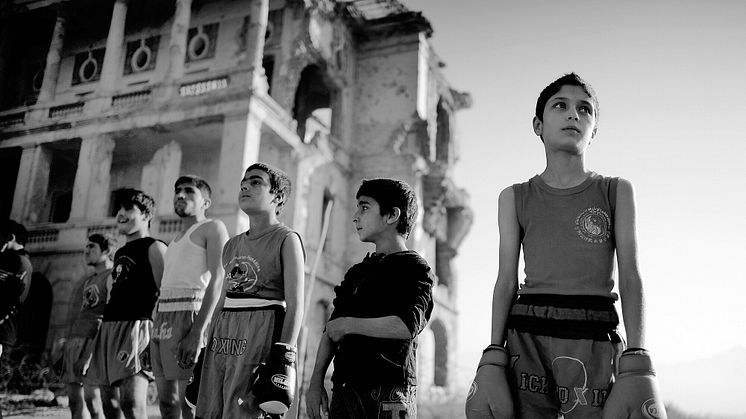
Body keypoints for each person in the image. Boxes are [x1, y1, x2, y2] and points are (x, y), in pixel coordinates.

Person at [465, 73, 665, 418]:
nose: (574, 114)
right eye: (561, 105)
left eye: (585, 109)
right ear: (538, 125)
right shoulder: (514, 197)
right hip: (526, 337)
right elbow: (506, 280)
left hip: (593, 336)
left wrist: (637, 360)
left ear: (594, 131)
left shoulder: (616, 191)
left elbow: (631, 275)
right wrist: (493, 355)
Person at [306, 178, 435, 419]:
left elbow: (407, 325)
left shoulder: (415, 268)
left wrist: (349, 325)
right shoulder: (357, 273)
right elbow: (331, 331)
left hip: (389, 392)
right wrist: (314, 384)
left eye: (364, 207)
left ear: (392, 215)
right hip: (345, 389)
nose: (355, 216)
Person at [195, 162, 305, 419]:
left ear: (277, 196)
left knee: (246, 411)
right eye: (243, 182)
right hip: (223, 337)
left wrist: (283, 357)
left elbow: (296, 304)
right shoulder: (232, 245)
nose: (245, 185)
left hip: (260, 333)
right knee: (211, 411)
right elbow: (222, 300)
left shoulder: (286, 239)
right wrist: (207, 347)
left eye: (256, 182)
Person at [83, 189, 167, 419]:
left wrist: (156, 338)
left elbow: (165, 294)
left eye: (129, 209)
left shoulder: (155, 247)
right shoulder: (120, 252)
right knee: (109, 403)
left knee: (131, 403)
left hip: (137, 328)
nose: (121, 214)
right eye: (119, 209)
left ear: (146, 215)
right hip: (109, 328)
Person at [152, 175, 228, 419]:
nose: (180, 195)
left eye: (189, 191)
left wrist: (197, 333)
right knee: (166, 403)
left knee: (190, 404)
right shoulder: (172, 241)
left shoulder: (212, 227)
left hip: (191, 316)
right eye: (177, 190)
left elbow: (219, 278)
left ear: (205, 202)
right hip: (163, 319)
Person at [62, 234, 118, 419]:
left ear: (107, 251)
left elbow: (109, 316)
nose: (86, 251)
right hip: (75, 342)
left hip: (94, 344)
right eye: (86, 246)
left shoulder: (112, 277)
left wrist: (88, 356)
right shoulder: (88, 280)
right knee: (73, 400)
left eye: (91, 247)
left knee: (93, 401)